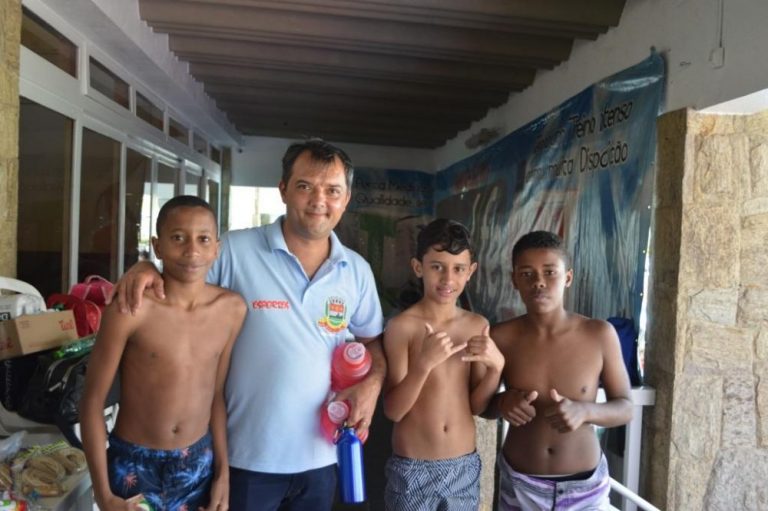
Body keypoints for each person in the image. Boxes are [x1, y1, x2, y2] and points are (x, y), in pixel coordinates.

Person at [109, 139, 386, 511]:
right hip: (244, 459)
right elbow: (180, 278)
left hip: (322, 457)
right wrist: (147, 268)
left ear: (346, 198)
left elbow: (372, 341)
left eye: (333, 190)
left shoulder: (356, 270)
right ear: (283, 189)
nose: (319, 200)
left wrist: (372, 384)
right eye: (305, 186)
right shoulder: (234, 251)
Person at [80, 195, 247, 511]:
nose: (192, 251)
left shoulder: (232, 310)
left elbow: (216, 396)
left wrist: (222, 473)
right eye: (178, 238)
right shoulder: (131, 309)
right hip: (133, 463)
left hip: (197, 465)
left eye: (203, 239)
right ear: (157, 246)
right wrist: (104, 495)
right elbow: (91, 402)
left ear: (217, 248)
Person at [485, 231, 633, 510]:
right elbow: (484, 407)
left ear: (568, 277)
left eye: (550, 272)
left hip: (586, 489)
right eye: (526, 274)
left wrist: (585, 411)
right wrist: (503, 402)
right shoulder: (500, 337)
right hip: (520, 487)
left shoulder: (598, 334)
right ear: (514, 280)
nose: (539, 282)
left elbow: (625, 408)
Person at [382, 218, 504, 510]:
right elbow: (394, 411)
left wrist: (496, 368)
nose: (448, 279)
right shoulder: (402, 327)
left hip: (463, 465)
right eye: (437, 267)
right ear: (418, 267)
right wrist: (423, 365)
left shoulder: (476, 325)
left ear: (470, 271)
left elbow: (476, 406)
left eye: (458, 269)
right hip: (413, 468)